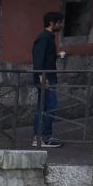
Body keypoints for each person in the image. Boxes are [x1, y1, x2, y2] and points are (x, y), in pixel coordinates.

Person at [31, 12, 64, 148]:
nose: (61, 25)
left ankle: (39, 137)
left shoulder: (48, 38)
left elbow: (45, 57)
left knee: (44, 107)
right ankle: (44, 137)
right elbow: (38, 59)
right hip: (46, 78)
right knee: (50, 107)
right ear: (52, 23)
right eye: (59, 22)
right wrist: (42, 77)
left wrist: (56, 56)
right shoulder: (44, 38)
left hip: (47, 76)